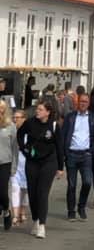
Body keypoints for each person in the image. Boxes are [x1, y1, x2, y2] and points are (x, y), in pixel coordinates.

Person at [17, 97, 64, 239]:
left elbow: (59, 147)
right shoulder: (30, 123)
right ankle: (36, 219)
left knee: (42, 192)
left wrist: (60, 167)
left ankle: (42, 225)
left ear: (48, 112)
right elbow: (20, 134)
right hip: (32, 161)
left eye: (40, 109)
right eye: (37, 109)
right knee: (32, 193)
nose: (37, 111)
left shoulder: (55, 125)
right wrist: (24, 148)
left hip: (49, 162)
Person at [61, 91, 94, 220]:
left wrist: (92, 150)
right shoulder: (70, 117)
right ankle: (71, 211)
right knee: (71, 185)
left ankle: (81, 206)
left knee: (88, 182)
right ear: (77, 103)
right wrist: (64, 153)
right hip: (72, 154)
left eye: (85, 102)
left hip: (86, 155)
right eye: (81, 101)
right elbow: (63, 134)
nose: (83, 104)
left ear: (88, 104)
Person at [0, 100, 18, 231]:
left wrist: (14, 166)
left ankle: (6, 211)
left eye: (2, 108)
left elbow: (15, 148)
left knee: (2, 193)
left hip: (5, 162)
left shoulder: (11, 126)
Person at [11, 111, 29, 225]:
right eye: (14, 117)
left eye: (17, 117)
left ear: (24, 119)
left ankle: (22, 211)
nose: (15, 120)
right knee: (15, 188)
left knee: (25, 190)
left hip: (27, 164)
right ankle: (15, 215)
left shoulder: (29, 132)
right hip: (14, 164)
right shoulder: (12, 132)